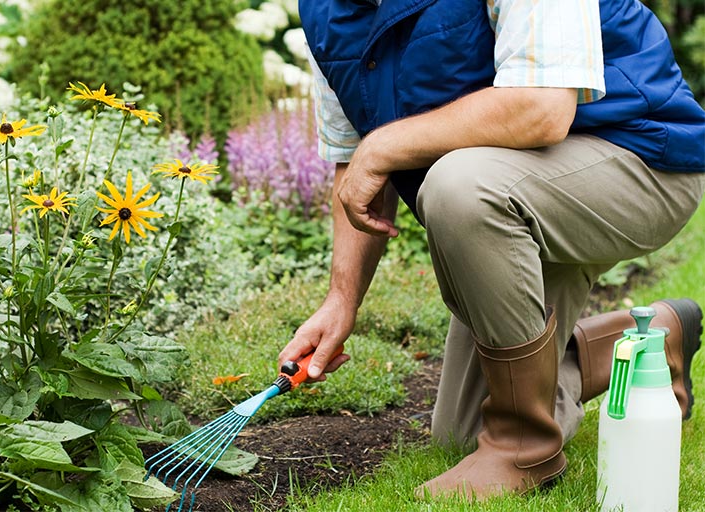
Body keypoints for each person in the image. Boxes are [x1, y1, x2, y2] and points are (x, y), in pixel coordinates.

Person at [278, 0, 705, 500]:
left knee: (459, 186)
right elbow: (356, 164)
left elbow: (541, 108)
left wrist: (383, 146)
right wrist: (340, 300)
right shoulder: (326, 12)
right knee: (462, 434)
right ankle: (645, 344)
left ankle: (523, 447)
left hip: (640, 156)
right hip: (518, 185)